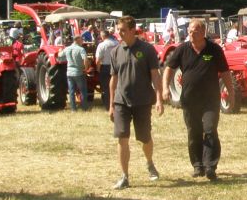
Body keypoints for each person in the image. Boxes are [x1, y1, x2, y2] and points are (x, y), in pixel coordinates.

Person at [163, 18, 229, 181]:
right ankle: (197, 165)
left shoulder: (214, 49)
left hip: (210, 100)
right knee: (194, 132)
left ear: (203, 32)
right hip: (190, 99)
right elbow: (169, 69)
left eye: (195, 31)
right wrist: (165, 88)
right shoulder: (182, 49)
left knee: (210, 129)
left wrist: (231, 92)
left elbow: (225, 72)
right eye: (190, 31)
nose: (191, 33)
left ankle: (210, 166)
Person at [108, 15, 163, 189]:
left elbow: (155, 75)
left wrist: (159, 99)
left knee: (144, 138)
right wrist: (111, 105)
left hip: (143, 101)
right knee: (122, 138)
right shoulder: (115, 51)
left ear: (133, 30)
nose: (120, 33)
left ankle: (149, 163)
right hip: (121, 102)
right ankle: (125, 176)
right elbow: (113, 80)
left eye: (123, 30)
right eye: (118, 30)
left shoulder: (147, 50)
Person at [61, 33, 89, 112]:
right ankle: (84, 108)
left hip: (69, 72)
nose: (82, 41)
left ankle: (73, 109)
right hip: (78, 72)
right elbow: (85, 59)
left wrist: (60, 50)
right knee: (82, 90)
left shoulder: (67, 48)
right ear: (77, 40)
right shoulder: (81, 49)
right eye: (81, 39)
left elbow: (59, 55)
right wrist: (86, 69)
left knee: (71, 91)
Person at [95, 29, 119, 111]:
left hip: (105, 67)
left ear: (102, 36)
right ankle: (118, 104)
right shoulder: (117, 43)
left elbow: (98, 60)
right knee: (117, 87)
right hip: (116, 67)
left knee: (106, 87)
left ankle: (108, 106)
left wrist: (98, 69)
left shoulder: (101, 45)